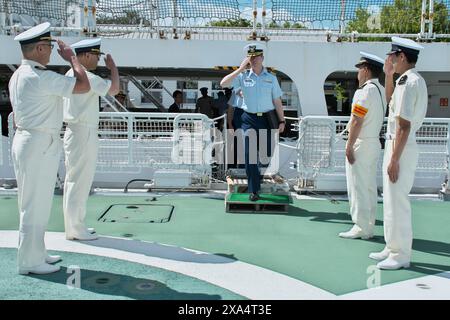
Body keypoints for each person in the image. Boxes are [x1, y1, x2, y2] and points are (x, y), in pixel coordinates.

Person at [9, 22, 90, 275]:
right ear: (40, 48)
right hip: (39, 143)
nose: (51, 51)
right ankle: (30, 262)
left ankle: (37, 252)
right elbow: (83, 85)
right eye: (49, 46)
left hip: (29, 140)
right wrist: (73, 59)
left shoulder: (19, 75)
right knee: (35, 205)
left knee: (34, 202)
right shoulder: (40, 77)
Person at [369, 37, 427, 270]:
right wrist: (389, 75)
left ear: (402, 57)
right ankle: (392, 247)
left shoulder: (410, 83)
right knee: (391, 200)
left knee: (398, 202)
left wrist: (394, 159)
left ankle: (401, 254)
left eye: (393, 56)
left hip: (400, 147)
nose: (390, 59)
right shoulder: (407, 80)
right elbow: (391, 101)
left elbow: (403, 125)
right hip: (398, 144)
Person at [63, 38, 120, 241]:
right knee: (80, 181)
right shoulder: (86, 75)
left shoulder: (71, 73)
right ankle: (76, 229)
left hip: (75, 131)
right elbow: (114, 90)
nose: (98, 59)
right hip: (83, 132)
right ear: (86, 56)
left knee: (75, 180)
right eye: (96, 55)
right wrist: (113, 68)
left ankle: (74, 225)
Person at [220, 43, 285, 201]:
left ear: (262, 58)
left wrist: (282, 120)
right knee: (250, 156)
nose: (254, 59)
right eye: (251, 57)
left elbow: (277, 100)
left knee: (267, 154)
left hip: (266, 119)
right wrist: (240, 68)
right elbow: (223, 83)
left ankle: (257, 175)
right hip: (248, 119)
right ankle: (254, 189)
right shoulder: (242, 77)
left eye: (257, 56)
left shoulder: (271, 78)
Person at [339, 52, 386, 240]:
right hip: (374, 142)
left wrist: (349, 145)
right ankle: (368, 226)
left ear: (365, 70)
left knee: (357, 186)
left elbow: (357, 121)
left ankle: (360, 227)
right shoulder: (381, 89)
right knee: (369, 186)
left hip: (361, 142)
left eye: (359, 70)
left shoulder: (364, 91)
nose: (358, 74)